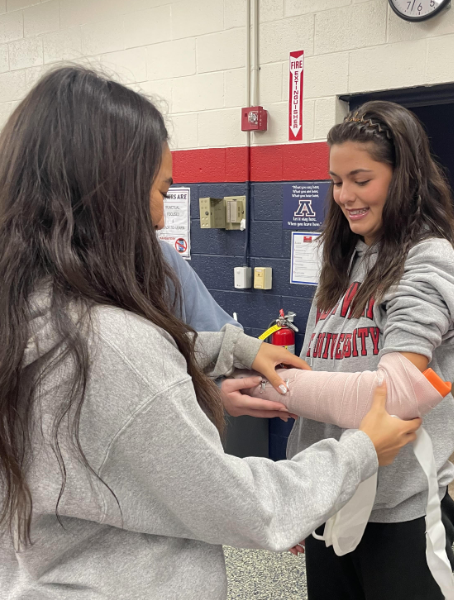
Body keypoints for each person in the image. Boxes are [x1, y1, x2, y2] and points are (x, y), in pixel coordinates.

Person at [0, 68, 420, 600]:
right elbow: (246, 506)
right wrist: (360, 450)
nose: (159, 218)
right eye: (159, 192)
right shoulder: (113, 349)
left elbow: (407, 374)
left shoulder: (27, 314)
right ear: (110, 196)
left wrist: (233, 350)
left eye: (361, 181)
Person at [237, 101, 454, 600]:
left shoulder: (428, 258)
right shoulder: (343, 259)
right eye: (337, 181)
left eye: (361, 179)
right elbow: (316, 371)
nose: (345, 196)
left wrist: (279, 385)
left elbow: (394, 394)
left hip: (397, 508)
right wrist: (304, 491)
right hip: (329, 490)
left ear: (404, 179)